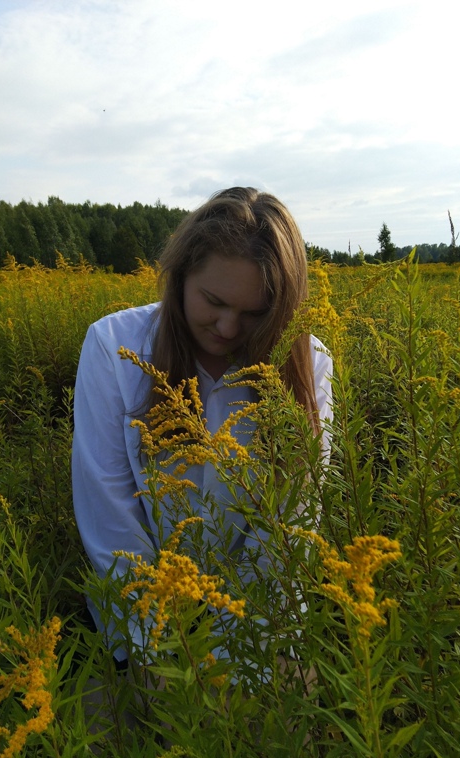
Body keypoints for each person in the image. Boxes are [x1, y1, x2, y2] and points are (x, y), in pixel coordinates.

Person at [72, 187, 333, 658]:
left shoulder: (310, 364)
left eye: (255, 313)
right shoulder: (114, 348)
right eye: (213, 301)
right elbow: (108, 512)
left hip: (262, 630)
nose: (229, 328)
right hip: (144, 626)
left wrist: (245, 651)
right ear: (179, 276)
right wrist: (159, 652)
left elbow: (292, 519)